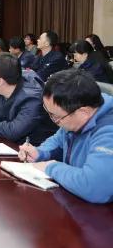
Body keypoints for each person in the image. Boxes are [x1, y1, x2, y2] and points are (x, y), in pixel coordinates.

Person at [18, 69, 113, 203]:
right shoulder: (77, 113)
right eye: (48, 112)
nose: (54, 121)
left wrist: (51, 167)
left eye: (55, 116)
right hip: (75, 200)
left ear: (84, 112)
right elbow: (58, 139)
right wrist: (39, 152)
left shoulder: (108, 131)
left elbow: (95, 187)